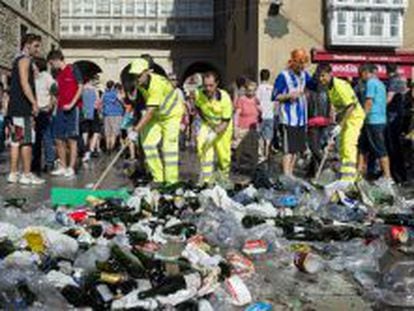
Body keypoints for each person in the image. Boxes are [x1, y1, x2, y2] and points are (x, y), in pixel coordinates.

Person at [127, 58, 184, 185]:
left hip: (171, 115)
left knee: (168, 149)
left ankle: (171, 182)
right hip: (157, 115)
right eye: (134, 75)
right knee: (147, 143)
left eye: (139, 75)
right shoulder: (139, 83)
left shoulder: (157, 84)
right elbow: (143, 103)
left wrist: (135, 130)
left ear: (147, 72)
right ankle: (158, 178)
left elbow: (150, 111)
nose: (137, 78)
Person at [317, 64, 365, 192]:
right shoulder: (330, 88)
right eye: (319, 76)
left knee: (349, 144)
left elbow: (350, 106)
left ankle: (349, 179)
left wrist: (340, 125)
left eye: (323, 76)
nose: (321, 79)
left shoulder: (339, 85)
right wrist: (336, 123)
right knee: (342, 146)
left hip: (355, 117)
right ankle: (347, 175)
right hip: (346, 118)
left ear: (330, 74)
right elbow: (340, 108)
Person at [7, 33, 45, 185]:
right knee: (27, 141)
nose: (38, 49)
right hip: (23, 108)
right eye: (36, 45)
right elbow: (24, 83)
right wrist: (34, 103)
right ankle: (27, 174)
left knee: (16, 140)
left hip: (16, 107)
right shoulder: (24, 60)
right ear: (27, 44)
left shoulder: (18, 60)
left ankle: (13, 173)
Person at [272, 49, 313, 177]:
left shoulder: (304, 75)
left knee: (297, 148)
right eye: (300, 63)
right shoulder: (283, 76)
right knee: (288, 149)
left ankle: (291, 173)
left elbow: (312, 86)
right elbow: (275, 96)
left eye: (304, 64)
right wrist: (289, 96)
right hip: (288, 118)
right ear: (293, 62)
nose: (302, 66)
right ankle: (285, 174)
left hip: (302, 118)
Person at [47, 49, 84, 178]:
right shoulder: (58, 75)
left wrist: (72, 104)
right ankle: (62, 166)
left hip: (73, 109)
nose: (52, 66)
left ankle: (71, 167)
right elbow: (57, 94)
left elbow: (80, 87)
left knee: (72, 139)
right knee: (58, 138)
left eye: (52, 63)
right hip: (61, 109)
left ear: (57, 60)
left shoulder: (73, 68)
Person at [193, 71, 233, 184]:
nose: (208, 88)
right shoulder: (199, 94)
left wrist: (215, 133)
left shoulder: (225, 98)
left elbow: (225, 121)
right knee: (202, 146)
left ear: (217, 84)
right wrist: (205, 121)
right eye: (205, 85)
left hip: (223, 127)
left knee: (223, 155)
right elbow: (198, 108)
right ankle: (206, 180)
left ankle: (224, 178)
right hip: (208, 124)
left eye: (211, 85)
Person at [357, 64, 393, 185]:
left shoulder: (371, 83)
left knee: (380, 149)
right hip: (380, 120)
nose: (360, 76)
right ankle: (359, 172)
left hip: (373, 121)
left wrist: (361, 117)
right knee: (362, 147)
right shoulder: (381, 84)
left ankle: (387, 177)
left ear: (366, 72)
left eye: (361, 73)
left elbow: (369, 101)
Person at [31, 57, 57, 173]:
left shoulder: (46, 76)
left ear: (37, 65)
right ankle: (35, 162)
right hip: (34, 111)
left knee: (46, 137)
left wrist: (50, 104)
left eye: (33, 64)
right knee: (35, 139)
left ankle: (49, 162)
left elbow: (54, 89)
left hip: (44, 110)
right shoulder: (32, 77)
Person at [233, 81, 261, 173]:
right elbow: (237, 113)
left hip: (253, 127)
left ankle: (252, 167)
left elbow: (259, 112)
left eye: (253, 91)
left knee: (253, 148)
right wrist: (235, 127)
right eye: (249, 90)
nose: (251, 93)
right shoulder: (242, 99)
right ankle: (237, 166)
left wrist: (261, 111)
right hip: (242, 126)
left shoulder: (256, 99)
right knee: (239, 148)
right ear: (246, 90)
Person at [306, 81, 332, 178]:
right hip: (324, 121)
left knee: (313, 147)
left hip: (313, 121)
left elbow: (308, 108)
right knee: (318, 146)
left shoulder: (311, 94)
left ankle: (324, 164)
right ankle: (311, 171)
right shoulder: (326, 93)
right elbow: (329, 107)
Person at [256, 69, 275, 161]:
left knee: (259, 135)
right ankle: (267, 153)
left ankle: (261, 154)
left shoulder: (259, 88)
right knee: (268, 136)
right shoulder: (272, 88)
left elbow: (257, 101)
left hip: (261, 115)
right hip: (270, 114)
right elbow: (275, 102)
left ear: (260, 76)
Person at [81, 79, 101, 162]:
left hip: (84, 112)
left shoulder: (82, 89)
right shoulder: (95, 89)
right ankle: (91, 149)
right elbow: (98, 102)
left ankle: (84, 148)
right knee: (96, 131)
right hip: (94, 112)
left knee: (85, 131)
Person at [102, 81, 124, 152]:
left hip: (107, 114)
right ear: (113, 86)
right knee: (114, 133)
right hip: (116, 114)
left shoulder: (104, 94)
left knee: (108, 132)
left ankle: (107, 147)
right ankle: (111, 148)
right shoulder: (116, 93)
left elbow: (101, 102)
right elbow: (122, 101)